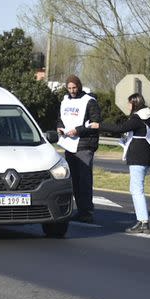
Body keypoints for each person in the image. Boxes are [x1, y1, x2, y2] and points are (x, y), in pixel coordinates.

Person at [92, 93, 150, 234]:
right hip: (146, 154)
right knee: (137, 188)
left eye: (129, 103)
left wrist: (99, 125)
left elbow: (119, 128)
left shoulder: (137, 118)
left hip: (137, 155)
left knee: (136, 190)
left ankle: (143, 222)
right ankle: (142, 221)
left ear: (134, 103)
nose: (128, 106)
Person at [57, 75, 101, 223]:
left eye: (74, 88)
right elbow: (60, 118)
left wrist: (78, 130)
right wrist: (60, 127)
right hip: (69, 144)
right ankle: (80, 209)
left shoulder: (90, 101)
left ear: (79, 86)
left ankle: (87, 211)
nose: (72, 91)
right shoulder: (65, 100)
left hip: (84, 144)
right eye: (69, 88)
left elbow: (95, 123)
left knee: (84, 179)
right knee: (74, 179)